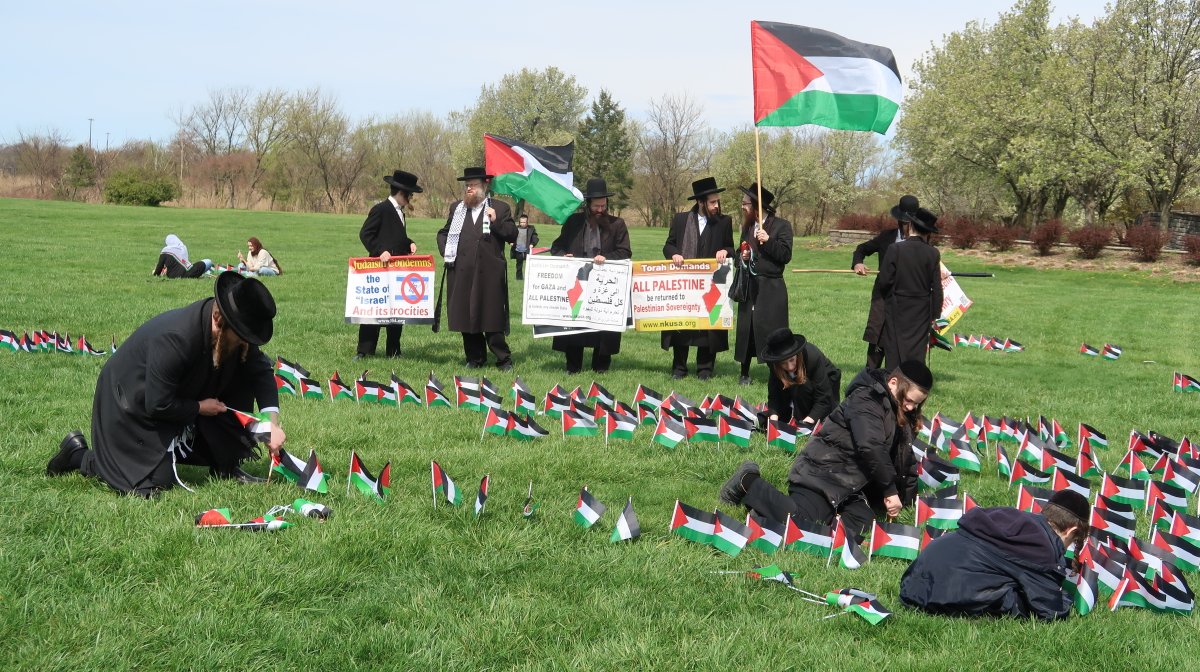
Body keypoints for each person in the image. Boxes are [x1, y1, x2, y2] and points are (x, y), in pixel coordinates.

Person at [46, 272, 286, 498]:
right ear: (219, 320)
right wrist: (200, 407)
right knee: (154, 480)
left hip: (180, 395)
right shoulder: (175, 339)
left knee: (242, 372)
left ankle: (225, 464)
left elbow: (261, 373)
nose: (247, 343)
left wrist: (270, 424)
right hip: (130, 401)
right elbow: (157, 403)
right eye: (243, 336)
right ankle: (78, 455)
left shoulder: (233, 334)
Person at [719, 361, 932, 539]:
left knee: (861, 525)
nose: (911, 407)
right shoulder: (866, 400)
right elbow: (871, 447)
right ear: (893, 383)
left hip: (850, 486)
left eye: (917, 404)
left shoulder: (898, 410)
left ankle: (768, 514)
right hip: (822, 474)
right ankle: (748, 482)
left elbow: (905, 458)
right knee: (802, 524)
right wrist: (889, 491)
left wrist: (908, 501)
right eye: (909, 400)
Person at [899, 489, 1091, 621]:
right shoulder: (1042, 546)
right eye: (1073, 541)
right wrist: (1068, 596)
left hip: (915, 579)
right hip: (939, 595)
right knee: (1016, 602)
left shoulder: (1016, 518)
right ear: (1071, 530)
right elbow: (1050, 610)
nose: (1066, 548)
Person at [436, 167, 518, 371]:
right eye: (467, 186)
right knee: (467, 317)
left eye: (473, 185)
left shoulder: (500, 207)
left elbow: (512, 235)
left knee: (491, 316)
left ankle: (503, 358)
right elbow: (444, 233)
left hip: (489, 272)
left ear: (485, 186)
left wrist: (496, 220)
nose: (469, 189)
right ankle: (475, 358)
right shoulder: (457, 208)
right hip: (461, 270)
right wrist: (447, 251)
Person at [549, 178, 632, 374]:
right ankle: (573, 366)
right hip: (578, 281)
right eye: (596, 206)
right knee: (575, 324)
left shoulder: (617, 224)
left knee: (603, 328)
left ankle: (601, 367)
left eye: (603, 205)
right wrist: (564, 256)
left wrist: (607, 257)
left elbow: (625, 252)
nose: (600, 209)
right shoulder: (573, 222)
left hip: (605, 285)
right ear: (588, 205)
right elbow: (556, 247)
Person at [661, 177, 735, 380]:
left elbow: (731, 248)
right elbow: (668, 245)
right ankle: (679, 368)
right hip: (685, 284)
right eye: (712, 202)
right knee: (682, 324)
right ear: (701, 202)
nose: (716, 206)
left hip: (711, 283)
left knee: (708, 326)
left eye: (718, 201)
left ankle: (705, 369)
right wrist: (674, 253)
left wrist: (724, 251)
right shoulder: (681, 220)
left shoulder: (724, 222)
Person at [356, 170, 422, 360]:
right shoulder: (381, 209)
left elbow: (395, 236)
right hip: (379, 269)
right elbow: (366, 234)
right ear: (402, 194)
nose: (411, 199)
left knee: (396, 310)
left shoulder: (400, 213)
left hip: (397, 270)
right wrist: (379, 251)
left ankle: (393, 350)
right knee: (374, 310)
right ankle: (364, 350)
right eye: (410, 195)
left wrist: (409, 242)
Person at [733, 183, 793, 386]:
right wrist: (742, 255)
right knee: (747, 328)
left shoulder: (782, 226)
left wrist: (768, 241)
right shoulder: (748, 226)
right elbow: (737, 253)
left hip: (771, 287)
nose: (743, 207)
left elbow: (785, 255)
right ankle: (744, 372)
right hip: (749, 285)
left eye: (746, 203)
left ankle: (775, 372)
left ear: (758, 206)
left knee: (771, 330)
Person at [852, 195, 918, 368]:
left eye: (910, 223)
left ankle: (894, 377)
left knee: (898, 339)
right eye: (904, 223)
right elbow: (861, 249)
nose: (907, 227)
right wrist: (858, 263)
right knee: (876, 335)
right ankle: (869, 376)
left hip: (907, 298)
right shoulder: (886, 237)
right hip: (883, 295)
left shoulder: (922, 243)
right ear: (899, 221)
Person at [877, 205, 942, 369]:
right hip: (922, 310)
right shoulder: (933, 253)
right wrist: (935, 313)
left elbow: (883, 281)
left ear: (910, 225)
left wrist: (889, 298)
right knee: (916, 353)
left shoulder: (895, 249)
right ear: (928, 232)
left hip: (897, 307)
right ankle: (913, 386)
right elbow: (937, 287)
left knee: (894, 350)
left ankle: (893, 387)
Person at [759, 327, 841, 426]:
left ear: (797, 354)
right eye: (783, 363)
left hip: (824, 390)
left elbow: (823, 398)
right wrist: (773, 422)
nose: (789, 367)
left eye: (792, 360)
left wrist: (806, 423)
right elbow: (774, 395)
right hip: (796, 391)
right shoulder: (774, 364)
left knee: (803, 386)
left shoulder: (813, 357)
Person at [511, 214, 539, 281]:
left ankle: (529, 278)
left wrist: (532, 244)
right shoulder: (516, 228)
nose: (522, 224)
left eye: (524, 222)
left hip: (527, 250)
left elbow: (535, 237)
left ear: (527, 222)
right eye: (521, 222)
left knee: (529, 265)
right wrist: (511, 242)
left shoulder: (531, 229)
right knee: (519, 265)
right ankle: (519, 278)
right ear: (519, 222)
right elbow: (511, 235)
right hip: (518, 250)